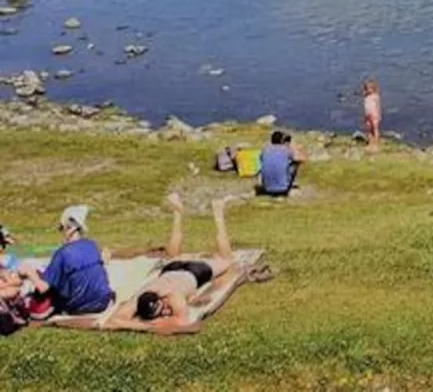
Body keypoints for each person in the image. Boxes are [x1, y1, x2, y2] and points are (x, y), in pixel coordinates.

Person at [131, 195, 239, 331]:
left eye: (162, 308)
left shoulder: (174, 299)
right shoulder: (143, 296)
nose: (165, 313)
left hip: (194, 272)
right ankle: (179, 212)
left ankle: (218, 214)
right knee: (171, 257)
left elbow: (182, 322)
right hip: (170, 269)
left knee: (228, 260)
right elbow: (114, 321)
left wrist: (148, 325)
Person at [22, 205, 112, 318]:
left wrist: (29, 272)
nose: (61, 231)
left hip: (80, 307)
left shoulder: (62, 253)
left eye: (62, 227)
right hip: (104, 301)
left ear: (72, 228)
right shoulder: (92, 245)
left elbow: (43, 287)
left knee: (49, 288)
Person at [257, 130, 306, 198]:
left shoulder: (265, 149)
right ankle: (287, 184)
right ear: (281, 140)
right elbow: (301, 159)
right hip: (283, 189)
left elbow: (261, 159)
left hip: (266, 188)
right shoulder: (286, 149)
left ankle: (268, 182)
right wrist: (292, 146)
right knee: (295, 164)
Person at [362, 79, 382, 151]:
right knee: (368, 129)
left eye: (370, 88)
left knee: (375, 129)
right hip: (367, 115)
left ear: (374, 88)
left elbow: (378, 106)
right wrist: (365, 116)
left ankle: (376, 143)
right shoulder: (366, 97)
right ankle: (370, 142)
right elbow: (365, 107)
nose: (368, 90)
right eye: (366, 88)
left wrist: (379, 115)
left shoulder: (375, 96)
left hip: (374, 115)